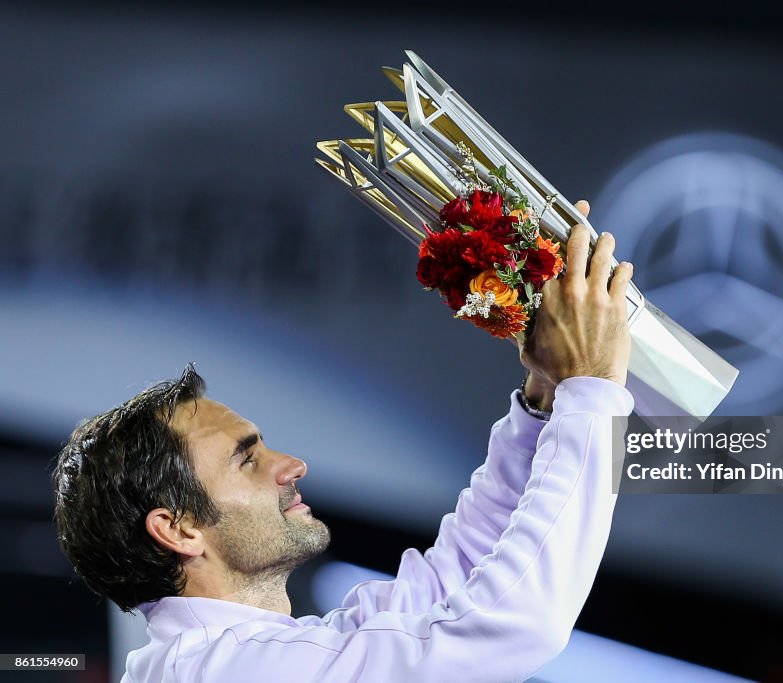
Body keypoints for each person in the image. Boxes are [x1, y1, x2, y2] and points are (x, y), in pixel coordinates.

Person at [52, 207, 635, 683]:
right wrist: (594, 391)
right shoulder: (226, 671)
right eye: (246, 459)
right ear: (177, 529)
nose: (292, 465)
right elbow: (515, 627)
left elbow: (449, 587)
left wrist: (546, 402)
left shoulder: (234, 658)